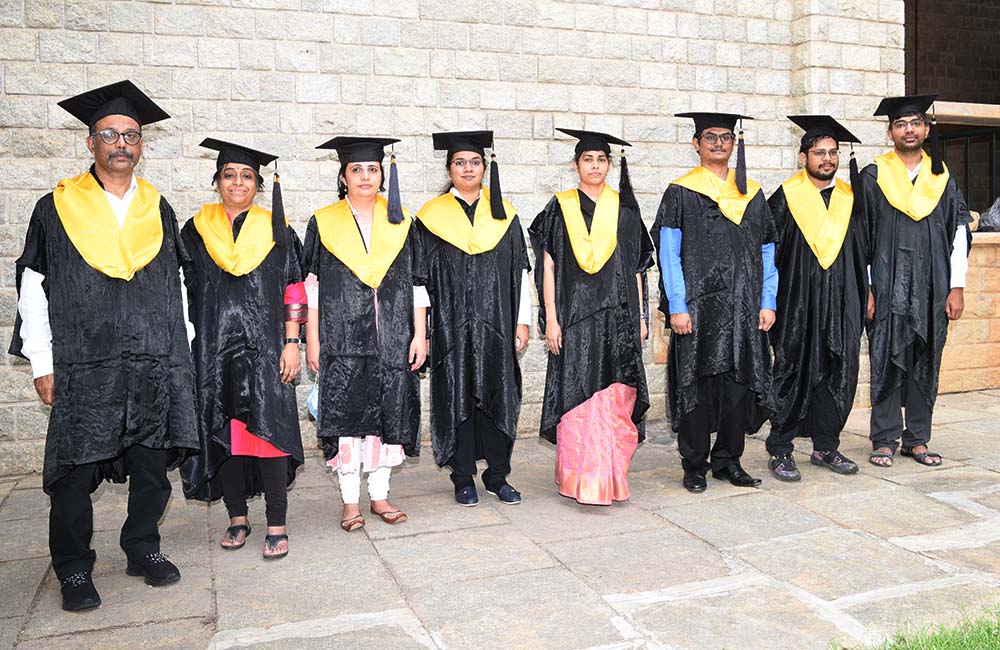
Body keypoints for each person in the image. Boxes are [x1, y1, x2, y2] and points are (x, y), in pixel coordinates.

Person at [9, 81, 198, 611]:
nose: (121, 143)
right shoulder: (57, 207)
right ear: (91, 143)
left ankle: (142, 548)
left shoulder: (157, 208)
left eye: (131, 136)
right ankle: (72, 567)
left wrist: (181, 350)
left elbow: (175, 285)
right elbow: (33, 288)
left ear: (141, 146)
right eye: (110, 134)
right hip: (83, 362)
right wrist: (43, 362)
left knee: (150, 463)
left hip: (153, 360)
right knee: (73, 471)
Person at [178, 139, 305, 559]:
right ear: (217, 181)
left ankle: (277, 521)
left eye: (247, 176)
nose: (238, 182)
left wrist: (292, 343)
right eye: (229, 175)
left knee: (271, 434)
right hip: (214, 349)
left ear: (258, 185)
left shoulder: (278, 229)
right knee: (226, 434)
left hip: (267, 349)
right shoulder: (196, 230)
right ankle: (237, 516)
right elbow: (182, 290)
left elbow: (293, 290)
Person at [303, 136, 427, 532]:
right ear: (343, 176)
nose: (365, 176)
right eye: (356, 169)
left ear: (382, 175)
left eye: (373, 169)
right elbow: (313, 288)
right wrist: (314, 340)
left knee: (388, 414)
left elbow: (418, 285)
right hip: (342, 338)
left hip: (393, 335)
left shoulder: (403, 220)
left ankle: (380, 495)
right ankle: (349, 501)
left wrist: (419, 334)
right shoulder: (324, 222)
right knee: (347, 417)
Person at [652, 112, 777, 493]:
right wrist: (677, 304)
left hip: (743, 309)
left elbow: (768, 251)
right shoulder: (680, 192)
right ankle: (694, 465)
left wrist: (767, 300)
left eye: (725, 137)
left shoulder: (752, 194)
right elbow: (668, 252)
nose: (719, 143)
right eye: (710, 137)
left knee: (738, 386)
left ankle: (728, 460)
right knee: (697, 383)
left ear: (734, 144)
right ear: (696, 144)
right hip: (698, 309)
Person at [528, 129, 654, 505]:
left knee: (616, 397)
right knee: (578, 398)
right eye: (588, 159)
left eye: (601, 160)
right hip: (575, 318)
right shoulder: (559, 207)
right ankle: (580, 480)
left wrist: (642, 315)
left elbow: (636, 268)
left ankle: (612, 478)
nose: (595, 166)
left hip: (618, 317)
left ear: (610, 165)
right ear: (576, 165)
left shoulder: (626, 209)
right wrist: (550, 317)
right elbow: (547, 267)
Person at [416, 131, 531, 507]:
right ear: (449, 168)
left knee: (499, 395)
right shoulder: (431, 219)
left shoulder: (505, 215)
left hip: (497, 324)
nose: (468, 168)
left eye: (475, 162)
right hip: (451, 327)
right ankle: (462, 477)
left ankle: (498, 476)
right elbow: (419, 280)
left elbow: (521, 273)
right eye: (460, 162)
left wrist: (522, 320)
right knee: (457, 397)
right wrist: (424, 331)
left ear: (485, 167)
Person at [861, 95, 971, 468]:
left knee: (926, 356)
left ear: (926, 129)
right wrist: (868, 288)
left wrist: (957, 286)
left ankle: (918, 438)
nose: (908, 130)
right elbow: (862, 236)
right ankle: (885, 437)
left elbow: (958, 232)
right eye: (900, 124)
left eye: (915, 123)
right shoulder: (874, 176)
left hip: (932, 283)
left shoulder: (941, 176)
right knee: (886, 358)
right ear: (890, 131)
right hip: (888, 283)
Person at [766, 116, 868, 481]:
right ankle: (780, 449)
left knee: (838, 372)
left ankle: (827, 446)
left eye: (832, 152)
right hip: (797, 303)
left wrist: (866, 292)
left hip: (842, 300)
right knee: (792, 371)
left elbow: (863, 251)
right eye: (819, 152)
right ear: (803, 156)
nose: (827, 158)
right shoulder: (785, 196)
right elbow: (767, 253)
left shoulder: (850, 198)